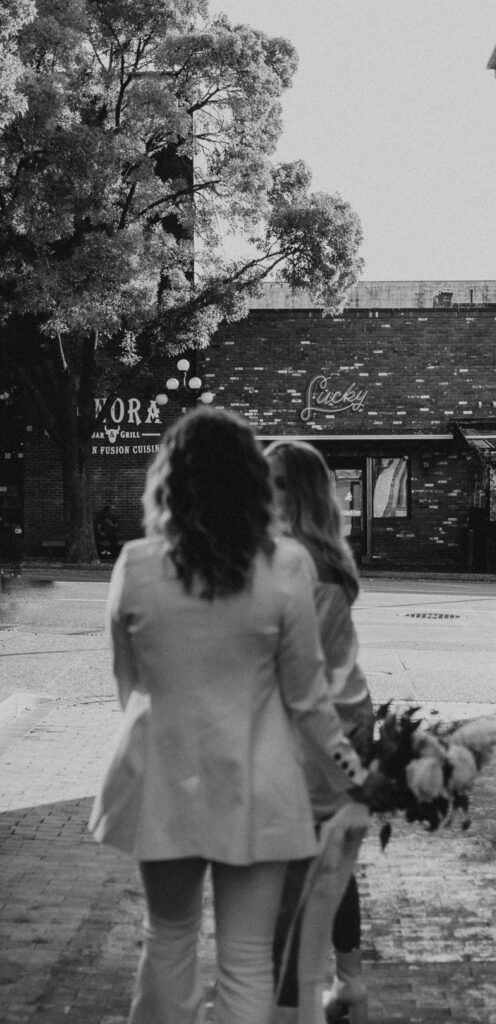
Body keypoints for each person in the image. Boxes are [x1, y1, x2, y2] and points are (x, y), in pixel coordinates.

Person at [88, 409, 378, 1024]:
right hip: (259, 785)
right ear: (251, 482)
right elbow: (308, 701)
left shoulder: (135, 564)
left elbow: (129, 686)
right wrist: (357, 773)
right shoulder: (288, 566)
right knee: (248, 959)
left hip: (161, 777)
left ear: (170, 480)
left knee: (166, 941)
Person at [264, 439, 374, 1024]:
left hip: (326, 728)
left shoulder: (298, 560)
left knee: (296, 869)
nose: (268, 493)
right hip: (347, 719)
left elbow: (301, 673)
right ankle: (349, 982)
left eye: (279, 483)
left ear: (301, 492)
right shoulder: (327, 554)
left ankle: (290, 1007)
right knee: (332, 865)